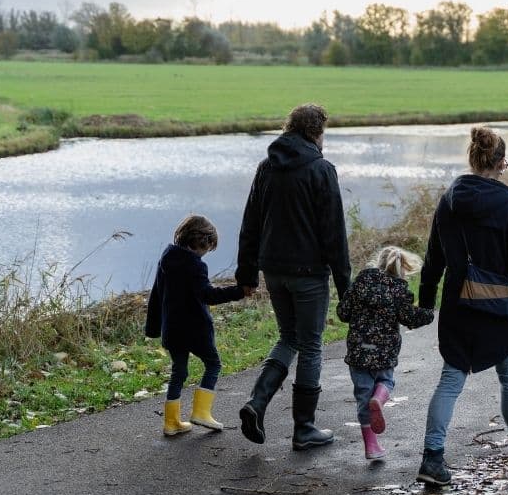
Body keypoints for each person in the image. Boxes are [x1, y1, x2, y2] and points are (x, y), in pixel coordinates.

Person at [416, 126, 508, 485]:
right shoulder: (507, 202)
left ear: (473, 159)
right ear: (502, 163)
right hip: (499, 307)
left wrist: (426, 302)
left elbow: (433, 259)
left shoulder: (449, 200)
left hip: (458, 306)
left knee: (451, 379)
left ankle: (432, 458)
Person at [235, 103, 351, 451]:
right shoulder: (321, 169)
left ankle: (256, 403)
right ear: (317, 132)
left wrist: (247, 273)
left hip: (273, 270)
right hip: (308, 273)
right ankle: (304, 429)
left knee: (289, 337)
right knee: (311, 344)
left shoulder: (266, 167)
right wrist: (347, 289)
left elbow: (250, 224)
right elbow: (335, 235)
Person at [145, 214, 249, 437]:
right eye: (208, 247)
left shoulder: (167, 257)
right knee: (213, 364)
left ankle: (171, 423)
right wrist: (239, 291)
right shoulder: (195, 266)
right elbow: (209, 295)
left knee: (178, 373)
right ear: (202, 242)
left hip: (172, 329)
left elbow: (156, 294)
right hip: (195, 330)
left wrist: (154, 328)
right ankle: (201, 412)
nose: (207, 253)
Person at [337, 246, 434, 461]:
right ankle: (379, 398)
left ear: (377, 263)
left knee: (363, 396)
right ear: (401, 268)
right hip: (385, 352)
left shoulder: (360, 284)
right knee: (386, 382)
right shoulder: (398, 290)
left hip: (359, 351)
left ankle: (371, 447)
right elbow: (410, 317)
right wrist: (427, 314)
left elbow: (343, 313)